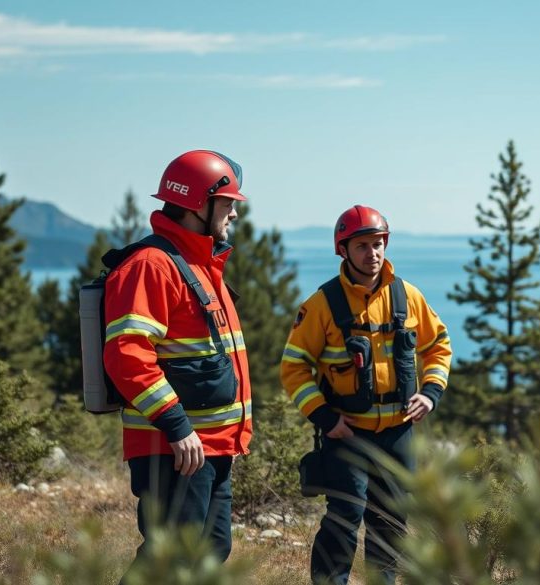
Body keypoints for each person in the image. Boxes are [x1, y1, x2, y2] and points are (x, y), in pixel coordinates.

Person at [280, 205, 452, 585]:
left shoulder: (407, 296)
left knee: (391, 522)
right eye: (362, 246)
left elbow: (438, 344)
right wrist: (325, 418)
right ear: (343, 249)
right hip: (347, 433)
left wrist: (431, 392)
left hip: (399, 432)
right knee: (344, 518)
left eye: (378, 244)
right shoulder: (322, 304)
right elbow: (293, 367)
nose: (372, 253)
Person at [103, 150, 253, 576]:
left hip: (212, 445)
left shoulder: (201, 264)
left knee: (210, 550)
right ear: (197, 205)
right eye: (227, 205)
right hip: (174, 446)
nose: (233, 215)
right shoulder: (151, 266)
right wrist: (177, 425)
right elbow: (127, 353)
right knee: (170, 557)